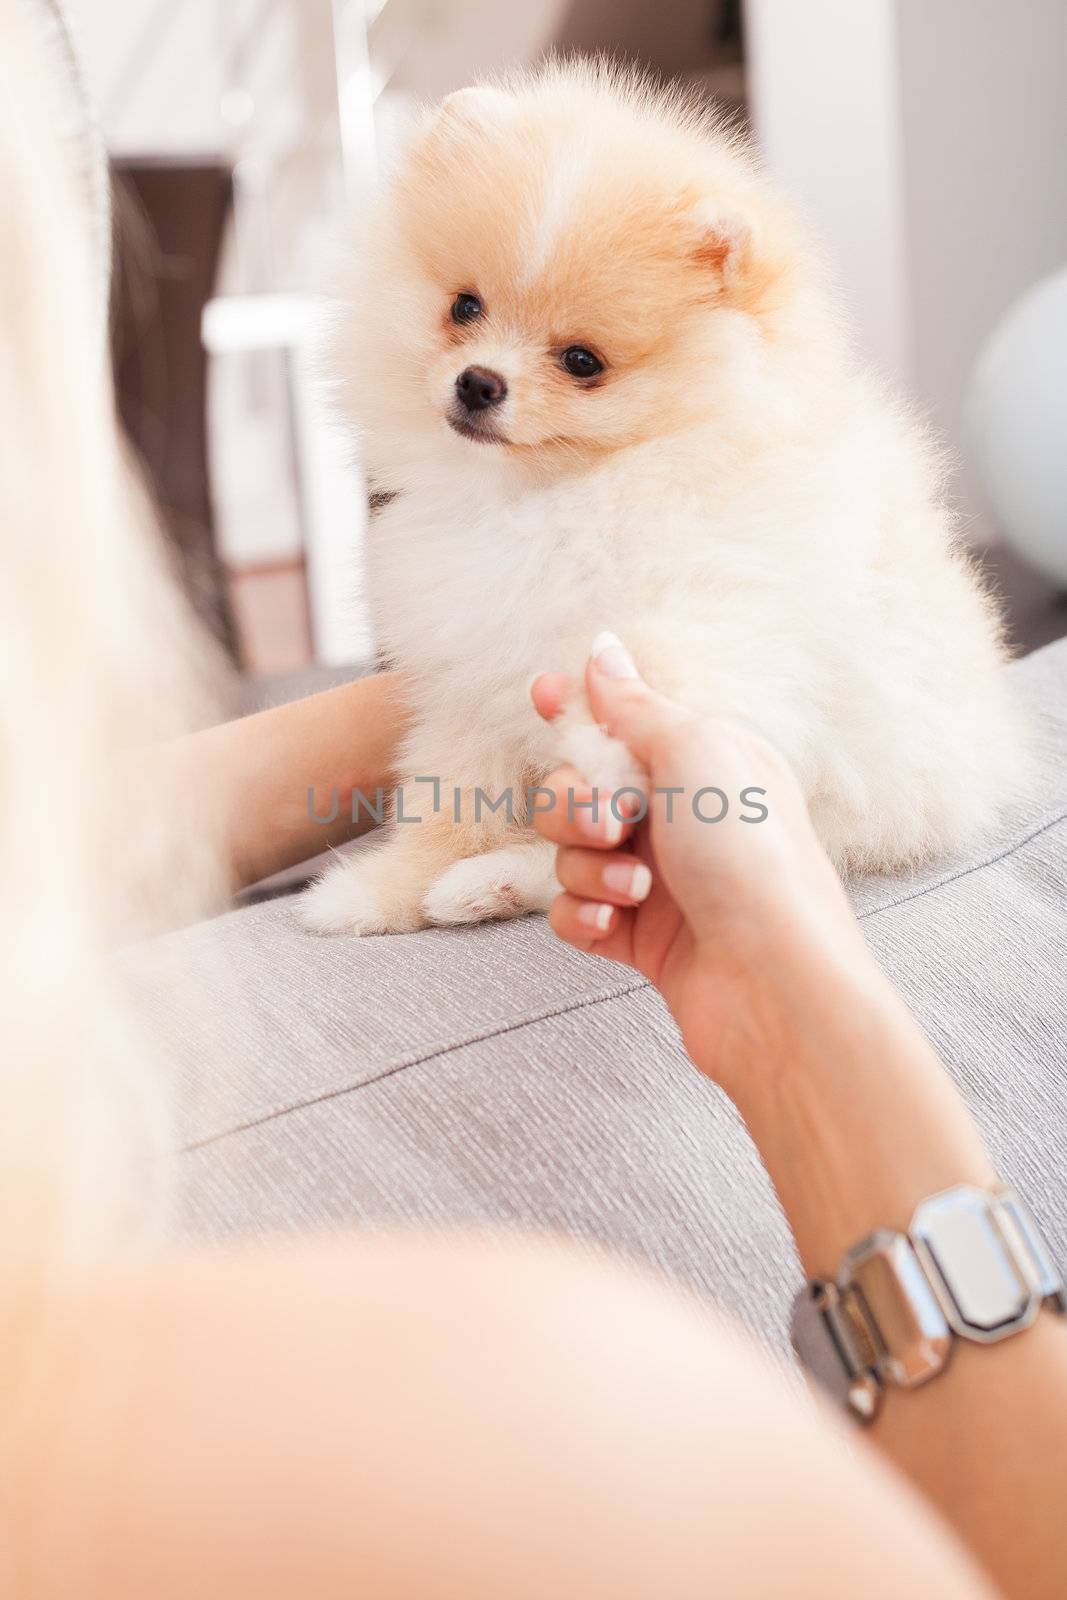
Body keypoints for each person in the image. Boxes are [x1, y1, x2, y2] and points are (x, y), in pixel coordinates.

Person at [3, 4, 1065, 1597]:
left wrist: (509, 779)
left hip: (847, 784)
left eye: (578, 358)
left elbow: (689, 668)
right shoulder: (544, 1414)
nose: (494, 374)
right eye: (468, 317)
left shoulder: (734, 485)